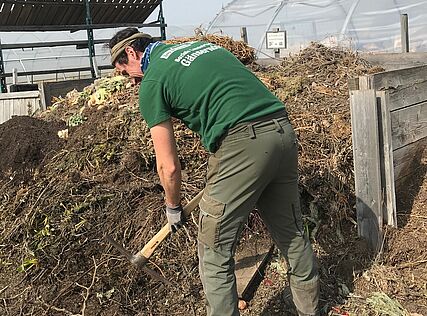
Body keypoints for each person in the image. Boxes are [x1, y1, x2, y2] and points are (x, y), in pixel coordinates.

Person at [109, 28, 319, 316]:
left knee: (214, 250)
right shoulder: (203, 48)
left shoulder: (153, 79)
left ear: (131, 53)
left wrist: (172, 206)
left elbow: (168, 166)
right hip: (282, 131)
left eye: (125, 72)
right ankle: (310, 311)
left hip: (242, 142)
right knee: (292, 234)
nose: (131, 82)